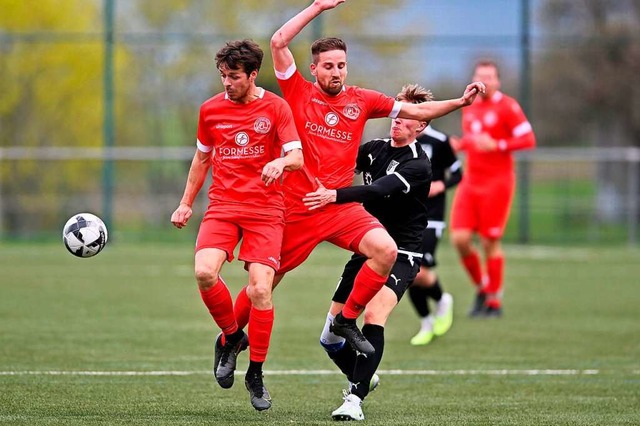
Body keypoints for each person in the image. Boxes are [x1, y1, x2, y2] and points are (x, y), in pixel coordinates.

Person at [230, 0, 485, 360]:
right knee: (264, 284)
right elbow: (277, 43)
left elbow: (418, 110)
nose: (337, 72)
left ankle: (347, 320)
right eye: (329, 66)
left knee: (385, 249)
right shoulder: (299, 92)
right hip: (298, 207)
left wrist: (460, 101)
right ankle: (229, 337)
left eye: (342, 65)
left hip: (338, 205)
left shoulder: (362, 100)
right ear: (314, 68)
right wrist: (317, 7)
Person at [170, 39, 303, 411]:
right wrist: (185, 204)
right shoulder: (210, 110)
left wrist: (281, 163)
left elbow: (296, 154)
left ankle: (255, 373)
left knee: (261, 290)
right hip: (224, 207)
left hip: (265, 210)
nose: (226, 83)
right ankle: (231, 338)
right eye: (223, 76)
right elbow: (201, 159)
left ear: (252, 75)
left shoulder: (276, 107)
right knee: (204, 273)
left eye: (233, 77)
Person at [303, 83, 433, 421]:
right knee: (329, 337)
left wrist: (334, 195)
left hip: (401, 252)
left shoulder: (419, 164)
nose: (398, 120)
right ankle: (364, 376)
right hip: (368, 247)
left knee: (374, 316)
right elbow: (336, 162)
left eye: (406, 117)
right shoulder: (374, 148)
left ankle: (354, 400)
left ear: (420, 124)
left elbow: (378, 189)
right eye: (397, 114)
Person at [449, 59, 536, 317]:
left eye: (489, 76)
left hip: (497, 183)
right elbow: (474, 140)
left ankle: (494, 302)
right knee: (460, 239)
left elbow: (528, 139)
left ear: (497, 81)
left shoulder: (508, 107)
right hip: (470, 182)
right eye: (480, 75)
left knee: (489, 242)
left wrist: (498, 145)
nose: (484, 81)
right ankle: (483, 287)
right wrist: (460, 145)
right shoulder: (469, 105)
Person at [407, 125, 462, 345]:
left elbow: (458, 173)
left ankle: (442, 300)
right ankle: (426, 322)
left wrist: (441, 184)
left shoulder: (440, 141)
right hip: (406, 218)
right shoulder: (400, 140)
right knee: (409, 275)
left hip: (432, 216)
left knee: (420, 272)